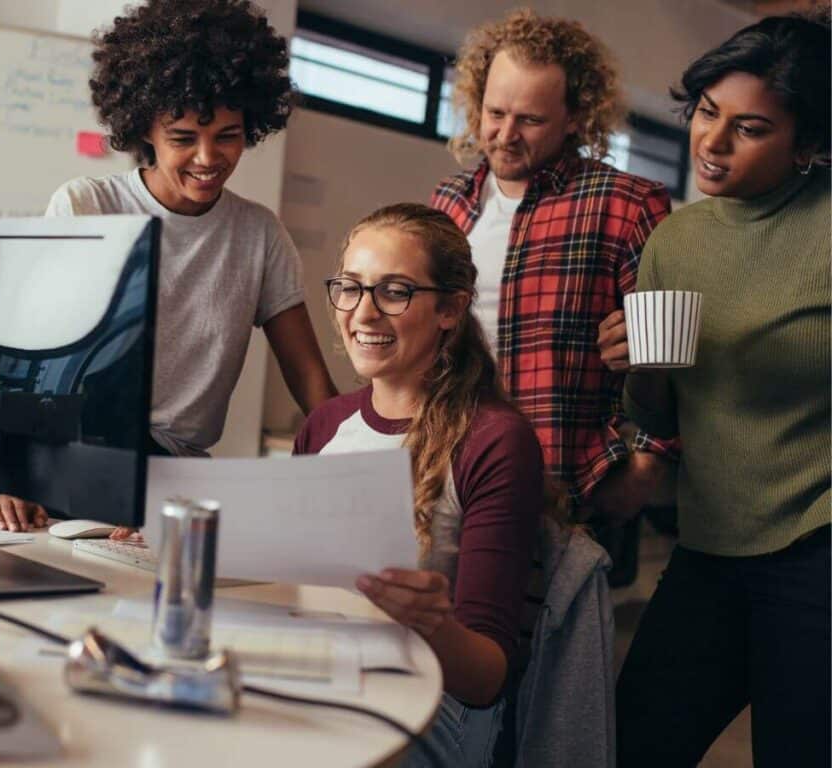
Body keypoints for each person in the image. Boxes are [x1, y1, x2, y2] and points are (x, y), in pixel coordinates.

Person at [0, 0, 336, 533]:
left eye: (228, 135)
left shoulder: (260, 234)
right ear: (144, 126)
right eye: (183, 138)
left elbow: (309, 377)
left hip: (176, 480)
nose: (207, 158)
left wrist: (352, 467)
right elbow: (29, 357)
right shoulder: (87, 206)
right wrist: (8, 474)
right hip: (74, 462)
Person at [596, 13, 830, 767]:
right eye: (706, 112)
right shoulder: (678, 240)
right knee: (632, 743)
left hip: (819, 545)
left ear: (807, 141)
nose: (712, 142)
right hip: (710, 541)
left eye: (750, 127)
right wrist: (641, 365)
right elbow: (661, 413)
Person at [294, 203, 543, 766]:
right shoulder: (325, 425)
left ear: (450, 309)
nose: (364, 313)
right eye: (351, 288)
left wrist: (428, 620)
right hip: (328, 677)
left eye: (395, 292)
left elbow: (485, 680)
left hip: (432, 707)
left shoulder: (495, 439)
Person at [431, 8, 677, 522]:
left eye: (531, 120)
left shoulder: (628, 205)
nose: (505, 134)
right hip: (451, 469)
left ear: (575, 118)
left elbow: (673, 361)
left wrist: (648, 466)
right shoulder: (449, 202)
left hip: (567, 485)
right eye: (495, 113)